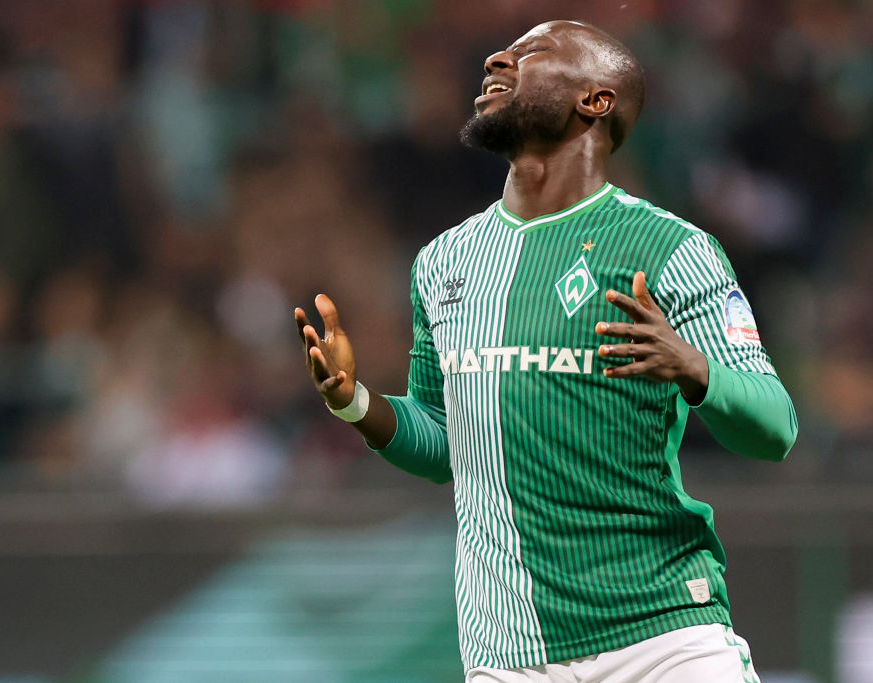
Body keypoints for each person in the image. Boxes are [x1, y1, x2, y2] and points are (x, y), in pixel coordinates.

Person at [295, 20, 796, 683]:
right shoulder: (444, 262)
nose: (498, 55)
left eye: (533, 52)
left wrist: (696, 369)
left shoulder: (671, 250)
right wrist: (355, 402)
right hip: (511, 659)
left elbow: (776, 428)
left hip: (664, 638)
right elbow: (447, 444)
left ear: (596, 99)